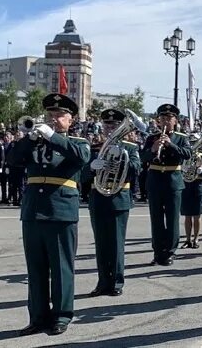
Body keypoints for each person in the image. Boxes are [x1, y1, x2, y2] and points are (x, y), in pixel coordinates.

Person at [9, 93, 90, 336]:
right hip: (33, 211)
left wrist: (52, 136)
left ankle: (62, 315)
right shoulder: (35, 142)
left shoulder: (78, 142)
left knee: (61, 267)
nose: (54, 118)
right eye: (50, 115)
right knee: (36, 269)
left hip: (61, 212)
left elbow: (81, 158)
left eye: (59, 115)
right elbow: (12, 159)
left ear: (71, 120)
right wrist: (29, 139)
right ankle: (38, 317)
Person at [83, 108, 141, 297]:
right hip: (98, 198)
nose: (110, 128)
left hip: (118, 198)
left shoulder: (130, 147)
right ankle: (102, 282)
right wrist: (91, 167)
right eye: (107, 124)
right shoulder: (93, 147)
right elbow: (81, 175)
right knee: (101, 243)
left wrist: (121, 158)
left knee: (116, 242)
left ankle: (116, 282)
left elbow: (136, 170)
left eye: (114, 125)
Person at [140, 104, 193, 267]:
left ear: (175, 120)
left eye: (169, 118)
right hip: (155, 180)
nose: (165, 121)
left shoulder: (181, 137)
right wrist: (153, 149)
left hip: (173, 181)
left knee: (172, 219)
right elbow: (143, 157)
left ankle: (169, 252)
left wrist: (170, 145)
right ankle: (157, 252)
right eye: (162, 119)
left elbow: (187, 154)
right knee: (156, 219)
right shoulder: (151, 138)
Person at [181, 137, 202, 249]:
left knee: (197, 215)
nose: (194, 144)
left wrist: (200, 170)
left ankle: (196, 239)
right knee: (187, 215)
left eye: (195, 142)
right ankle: (187, 239)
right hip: (186, 186)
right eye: (192, 142)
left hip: (198, 186)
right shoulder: (185, 156)